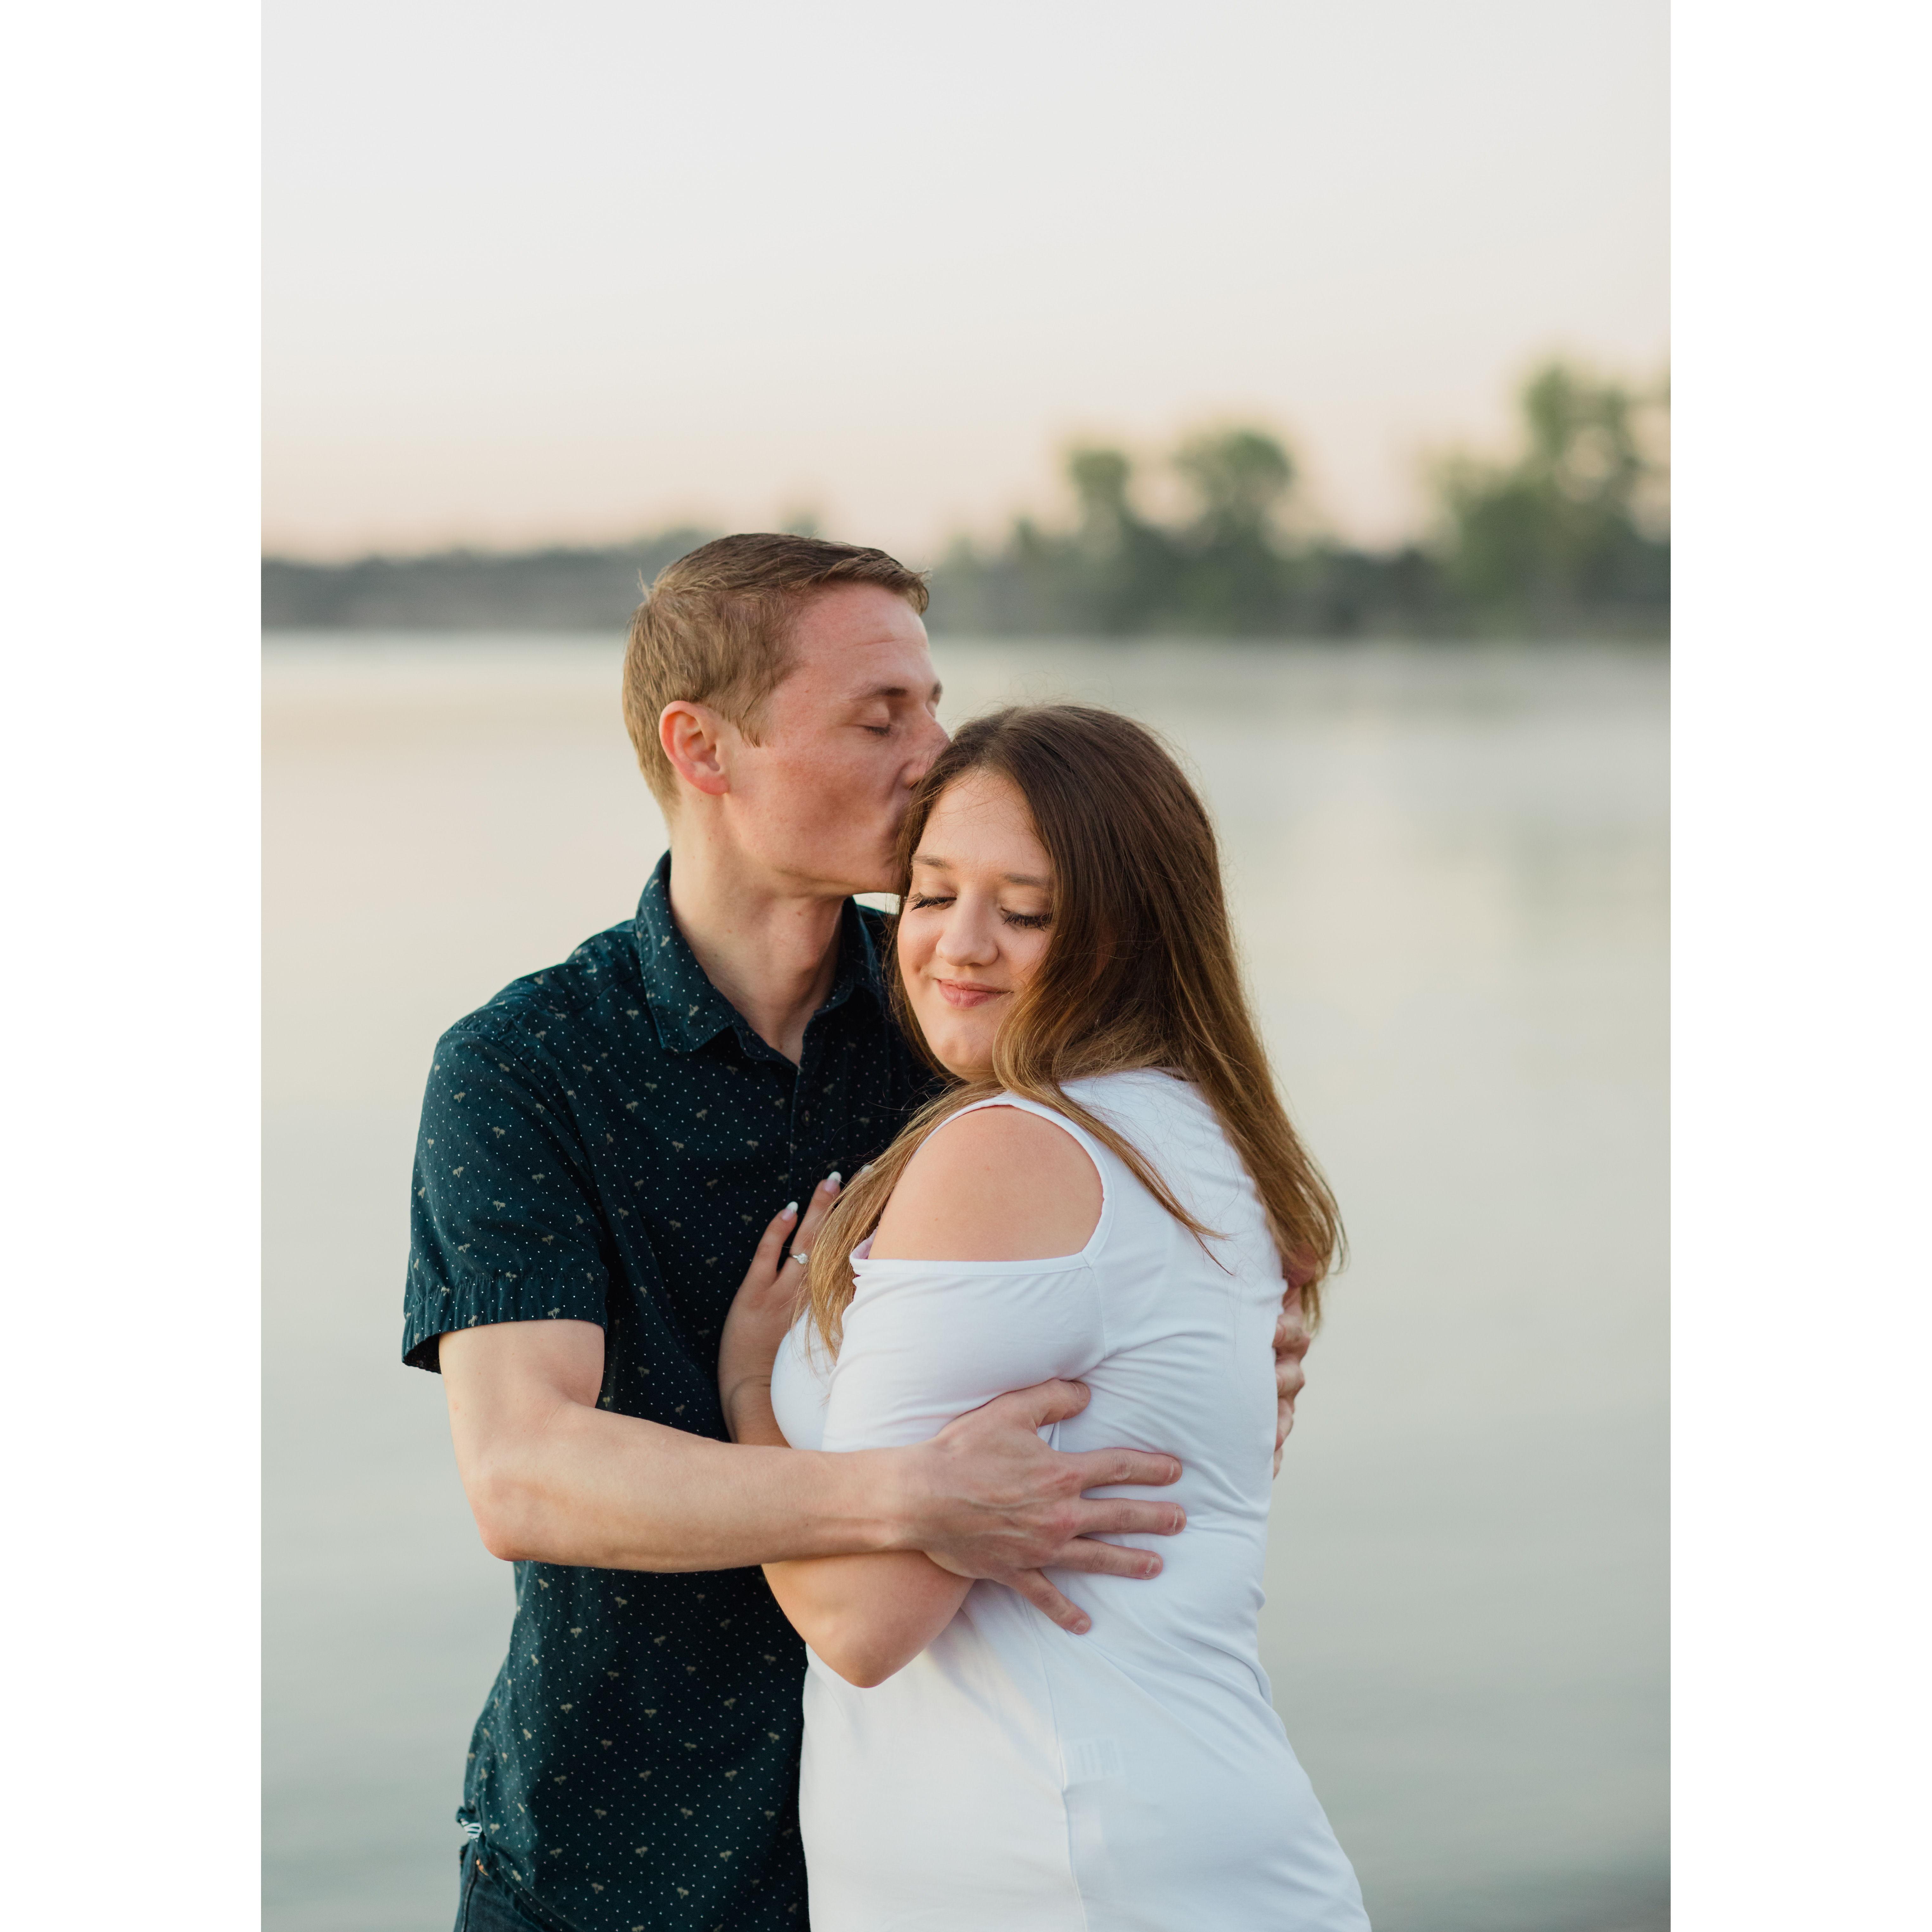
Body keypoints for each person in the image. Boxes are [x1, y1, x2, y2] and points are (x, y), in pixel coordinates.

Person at [401, 534, 1315, 1932]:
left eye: (933, 707)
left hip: (931, 1850)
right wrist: (910, 1497)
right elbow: (526, 1473)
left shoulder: (969, 1021)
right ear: (703, 748)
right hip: (616, 1851)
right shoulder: (528, 1065)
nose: (934, 754)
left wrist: (1222, 1362)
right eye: (882, 718)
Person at [719, 704, 1369, 1929]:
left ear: (1130, 932)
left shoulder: (1013, 1152)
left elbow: (861, 1622)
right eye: (930, 894)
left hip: (1058, 1864)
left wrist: (752, 1387)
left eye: (1025, 912)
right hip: (1144, 1837)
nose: (958, 946)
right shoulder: (1196, 1130)